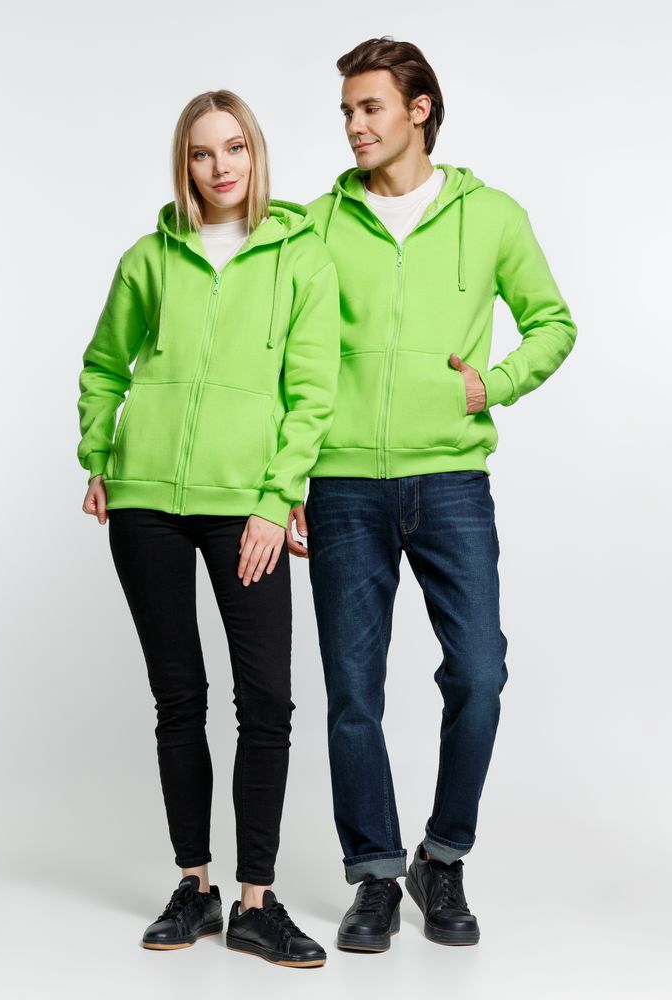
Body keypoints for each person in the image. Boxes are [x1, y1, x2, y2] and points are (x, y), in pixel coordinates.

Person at [286, 37, 578, 950]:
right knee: (352, 692)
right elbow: (281, 353)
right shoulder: (315, 224)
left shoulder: (490, 215)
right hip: (340, 483)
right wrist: (283, 479)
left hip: (451, 477)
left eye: (369, 107)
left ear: (419, 110)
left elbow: (553, 322)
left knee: (480, 674)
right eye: (346, 110)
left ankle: (440, 859)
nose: (353, 125)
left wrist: (495, 384)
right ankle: (375, 875)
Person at [76, 89, 339, 968]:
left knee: (265, 700)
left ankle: (257, 902)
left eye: (234, 148)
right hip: (146, 500)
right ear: (183, 164)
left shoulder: (302, 256)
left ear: (255, 154)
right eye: (201, 152)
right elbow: (105, 363)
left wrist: (275, 497)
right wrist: (99, 454)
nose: (220, 166)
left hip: (246, 505)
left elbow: (313, 393)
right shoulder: (149, 258)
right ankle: (195, 886)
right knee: (178, 698)